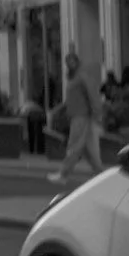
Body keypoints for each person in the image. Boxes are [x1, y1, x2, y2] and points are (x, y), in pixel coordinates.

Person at [53, 46, 104, 185]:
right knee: (89, 148)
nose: (70, 64)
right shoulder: (74, 77)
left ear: (77, 61)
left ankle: (64, 174)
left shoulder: (82, 76)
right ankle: (100, 174)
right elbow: (73, 98)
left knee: (74, 145)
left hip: (81, 116)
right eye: (67, 62)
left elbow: (93, 95)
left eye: (72, 61)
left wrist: (97, 113)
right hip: (78, 115)